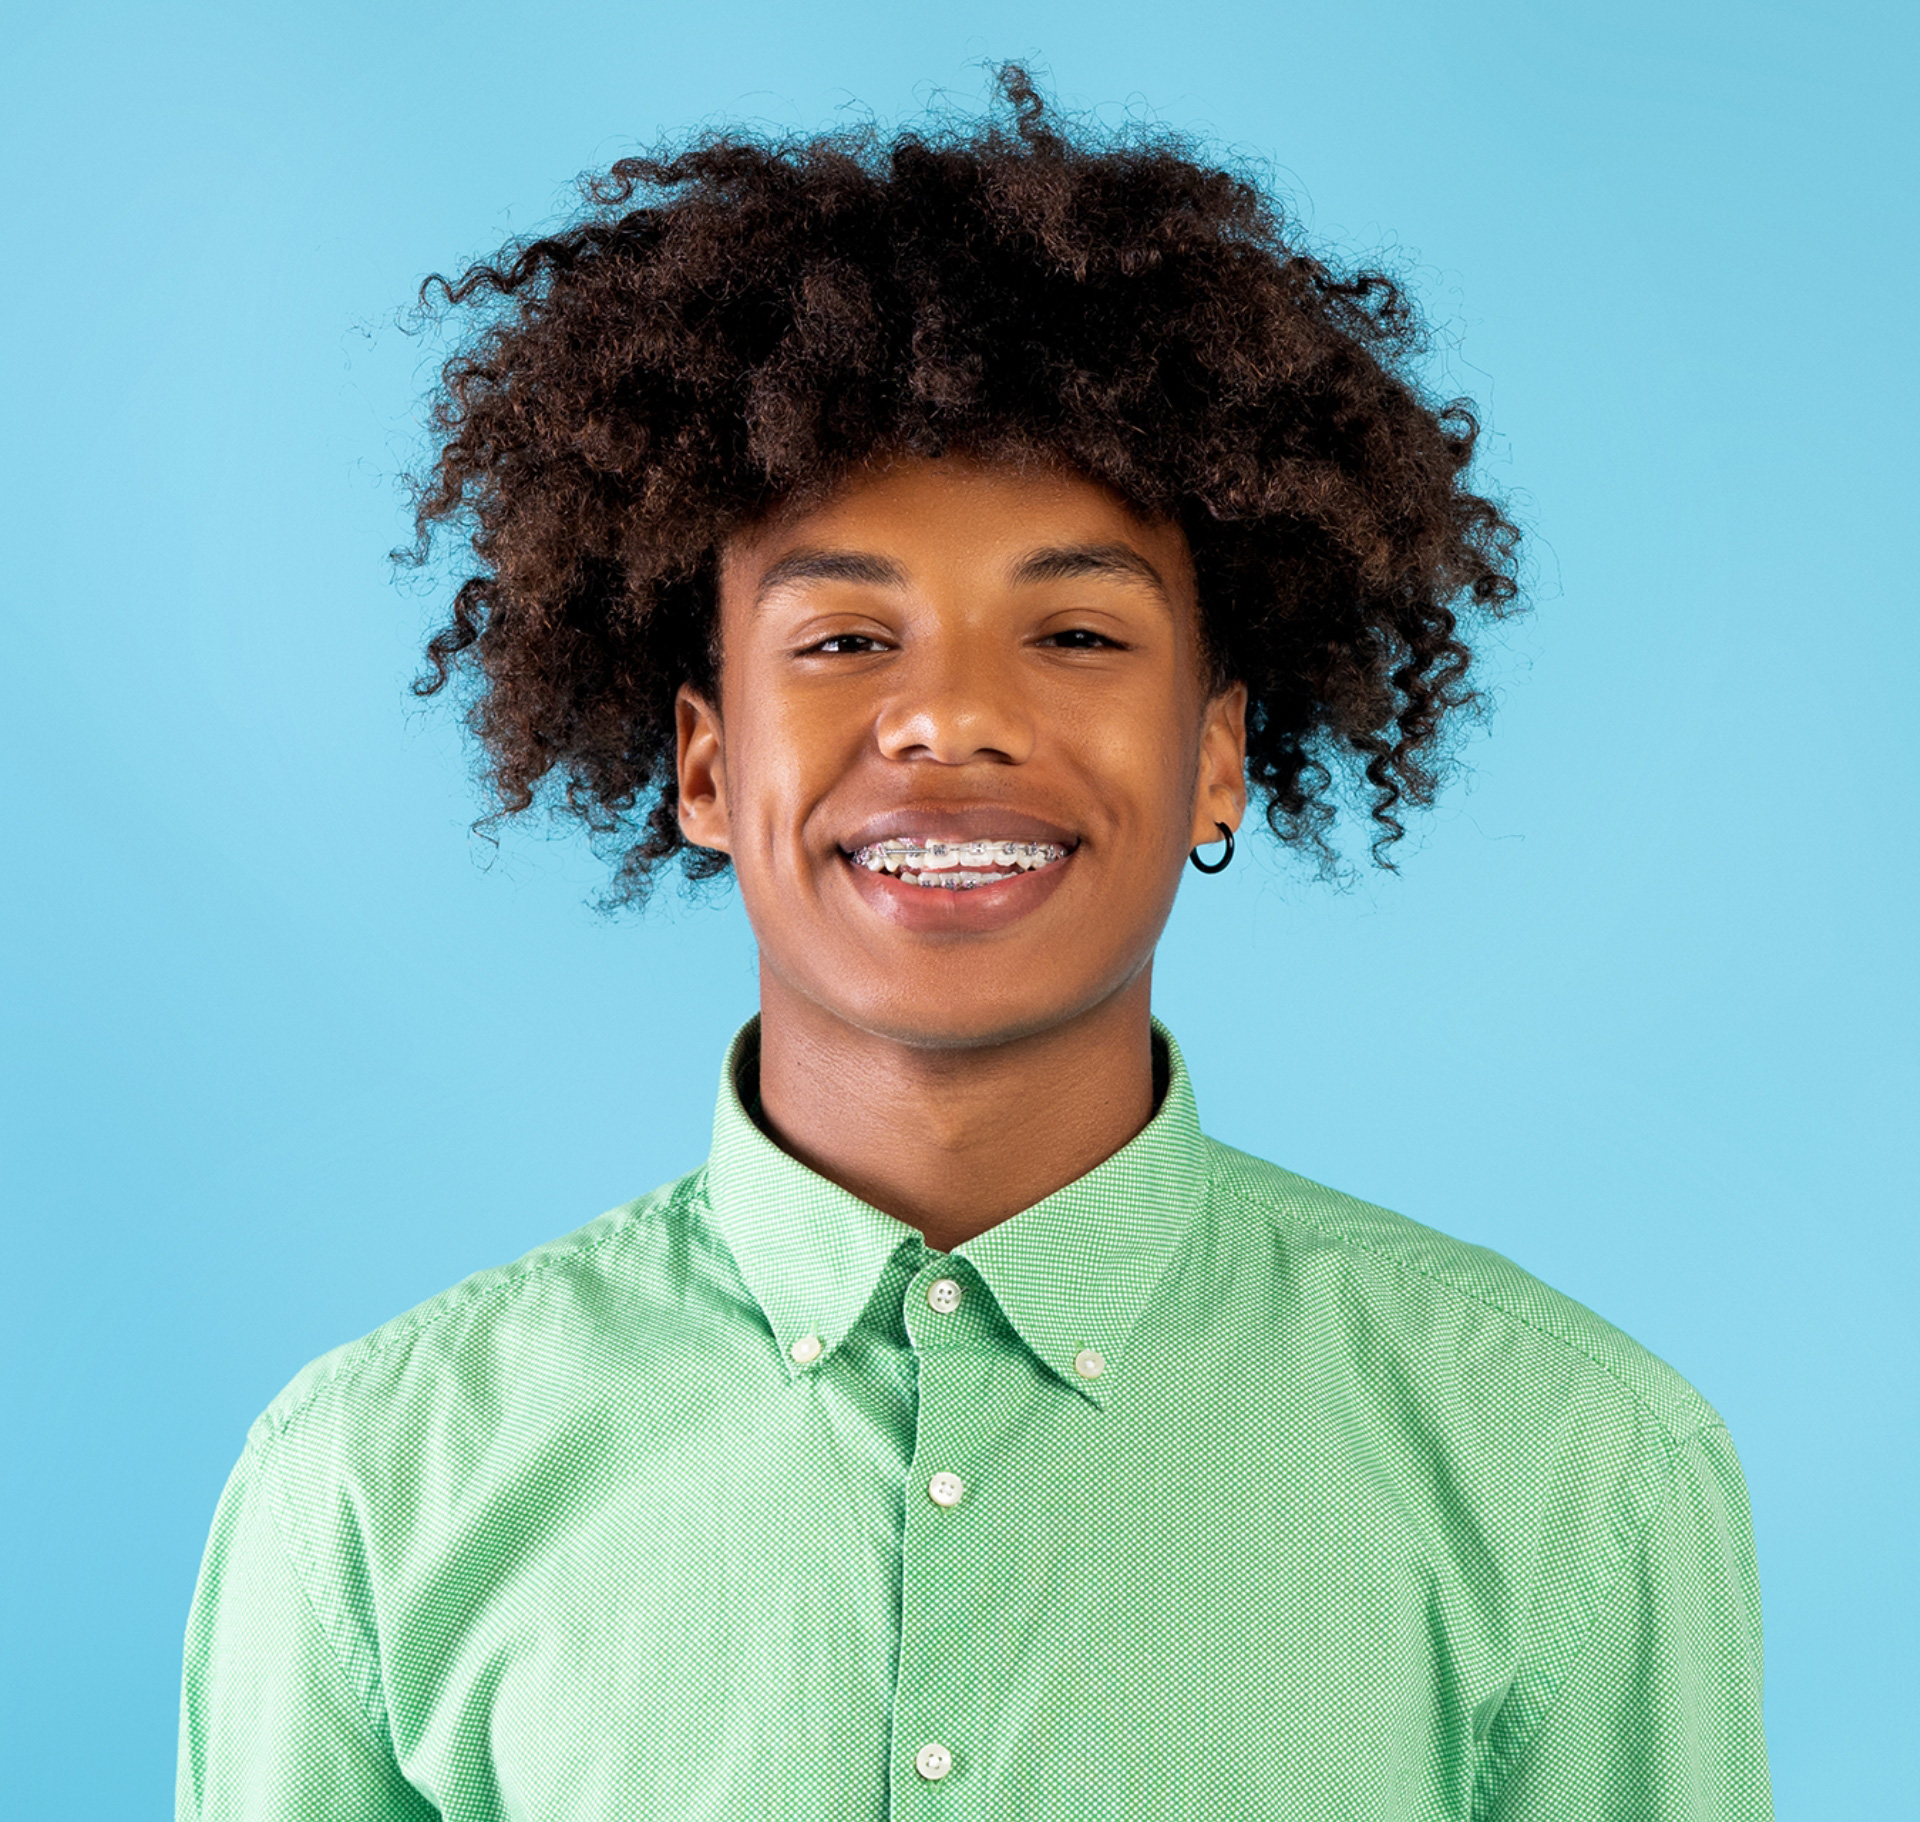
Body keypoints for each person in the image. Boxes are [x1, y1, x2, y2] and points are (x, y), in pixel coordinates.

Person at [176, 68, 1772, 1821]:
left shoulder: (1574, 1472)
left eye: (1076, 631)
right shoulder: (368, 1489)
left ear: (1218, 756)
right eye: (847, 639)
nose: (947, 716)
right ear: (707, 765)